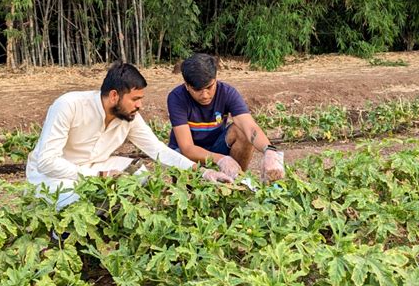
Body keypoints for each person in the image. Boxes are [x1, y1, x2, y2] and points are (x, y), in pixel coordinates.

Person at [26, 61, 232, 209]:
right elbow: (46, 162)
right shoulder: (69, 105)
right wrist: (99, 177)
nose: (140, 105)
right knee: (83, 198)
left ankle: (109, 219)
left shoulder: (129, 117)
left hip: (92, 168)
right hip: (51, 176)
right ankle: (59, 234)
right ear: (114, 95)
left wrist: (203, 172)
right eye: (135, 99)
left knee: (139, 172)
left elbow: (159, 150)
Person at [167, 53, 285, 183]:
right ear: (187, 86)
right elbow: (187, 148)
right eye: (197, 90)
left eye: (209, 87)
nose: (205, 95)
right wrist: (221, 159)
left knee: (241, 132)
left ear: (215, 79)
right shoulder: (177, 98)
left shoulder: (227, 93)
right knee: (188, 186)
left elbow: (249, 127)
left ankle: (235, 181)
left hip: (216, 146)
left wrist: (269, 151)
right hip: (188, 156)